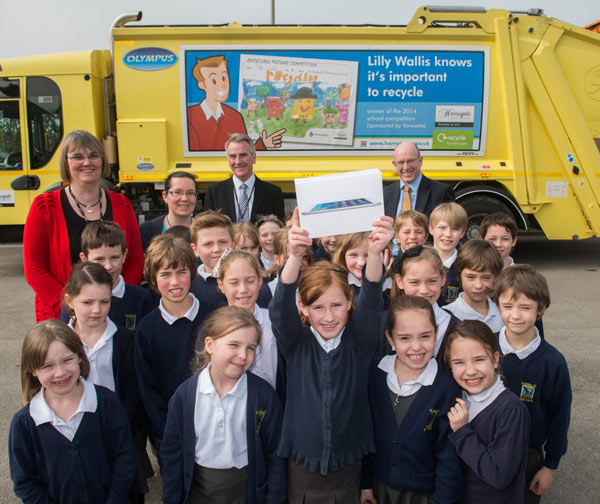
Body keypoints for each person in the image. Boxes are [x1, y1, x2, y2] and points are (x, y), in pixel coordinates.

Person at [269, 208, 393, 502]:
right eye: (317, 307)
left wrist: (374, 253)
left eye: (336, 305)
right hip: (302, 469)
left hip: (349, 469)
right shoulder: (296, 344)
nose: (328, 317)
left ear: (350, 301)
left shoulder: (359, 342)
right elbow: (279, 307)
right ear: (303, 307)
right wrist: (295, 256)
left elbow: (373, 295)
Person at [161, 306, 287, 503]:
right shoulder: (185, 396)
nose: (243, 355)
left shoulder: (264, 396)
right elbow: (172, 454)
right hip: (200, 493)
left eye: (250, 348)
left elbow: (275, 455)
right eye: (234, 345)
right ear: (210, 345)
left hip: (245, 492)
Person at [9, 319, 136, 503]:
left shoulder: (107, 403)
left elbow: (124, 459)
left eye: (67, 360)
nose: (60, 372)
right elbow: (25, 483)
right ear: (33, 371)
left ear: (80, 357)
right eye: (47, 366)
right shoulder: (24, 423)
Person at [23, 130, 144, 322]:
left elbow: (136, 258)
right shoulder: (44, 207)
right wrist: (70, 306)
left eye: (93, 155)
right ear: (66, 162)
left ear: (102, 161)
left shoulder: (122, 203)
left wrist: (113, 301)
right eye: (78, 156)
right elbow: (34, 269)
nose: (87, 162)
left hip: (114, 313)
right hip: (61, 316)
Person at [361, 296, 463, 503]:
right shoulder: (375, 373)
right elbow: (364, 433)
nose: (416, 347)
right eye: (405, 338)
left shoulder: (447, 386)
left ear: (436, 333)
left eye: (425, 336)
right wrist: (365, 483)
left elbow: (449, 456)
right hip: (379, 488)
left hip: (425, 494)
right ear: (390, 338)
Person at [64, 261, 151, 502]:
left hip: (117, 433)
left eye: (104, 302)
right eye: (87, 302)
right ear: (70, 301)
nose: (96, 310)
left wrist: (116, 429)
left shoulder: (124, 339)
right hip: (74, 434)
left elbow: (132, 394)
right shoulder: (59, 342)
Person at [494, 265, 571, 503]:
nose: (515, 315)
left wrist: (550, 466)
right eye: (507, 306)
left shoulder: (553, 362)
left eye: (525, 307)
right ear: (497, 305)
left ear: (541, 309)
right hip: (485, 448)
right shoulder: (484, 350)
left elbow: (560, 416)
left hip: (528, 456)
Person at [134, 234, 213, 458]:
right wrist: (165, 430)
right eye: (165, 274)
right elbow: (147, 387)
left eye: (182, 272)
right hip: (168, 431)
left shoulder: (213, 317)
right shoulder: (146, 330)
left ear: (192, 272)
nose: (175, 282)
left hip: (212, 425)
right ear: (153, 277)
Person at [444, 320, 530, 504]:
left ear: (495, 358)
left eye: (479, 359)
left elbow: (499, 474)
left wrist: (462, 432)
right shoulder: (455, 399)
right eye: (459, 362)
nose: (470, 371)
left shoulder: (512, 410)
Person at [59, 220, 153, 331]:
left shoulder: (141, 297)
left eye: (114, 257)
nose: (108, 266)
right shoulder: (76, 300)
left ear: (124, 255)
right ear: (84, 259)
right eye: (99, 259)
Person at [215, 250, 282, 393]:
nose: (243, 289)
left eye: (250, 281)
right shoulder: (213, 328)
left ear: (260, 281)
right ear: (221, 285)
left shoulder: (275, 322)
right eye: (234, 282)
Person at [186, 55, 285, 151]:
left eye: (224, 78)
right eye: (214, 81)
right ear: (202, 85)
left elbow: (244, 155)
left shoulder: (235, 116)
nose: (222, 85)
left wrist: (263, 144)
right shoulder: (190, 118)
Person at [391, 245, 459, 358]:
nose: (424, 291)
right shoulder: (386, 322)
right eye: (414, 282)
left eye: (432, 281)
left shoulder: (454, 327)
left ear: (443, 278)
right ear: (400, 281)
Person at [203, 134, 285, 222]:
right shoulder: (214, 192)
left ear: (254, 158)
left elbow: (279, 230)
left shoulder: (273, 193)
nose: (238, 161)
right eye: (232, 156)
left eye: (243, 155)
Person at [444, 240, 505, 333]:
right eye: (471, 277)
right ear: (458, 276)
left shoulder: (503, 312)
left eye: (486, 278)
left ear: (495, 277)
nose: (478, 285)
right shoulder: (446, 316)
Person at [383, 142, 455, 219]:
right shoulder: (386, 194)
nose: (406, 167)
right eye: (401, 162)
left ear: (420, 161)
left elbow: (448, 227)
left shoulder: (441, 192)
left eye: (410, 161)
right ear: (394, 165)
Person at [139, 171, 198, 252]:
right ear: (165, 196)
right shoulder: (148, 230)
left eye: (190, 193)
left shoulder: (205, 229)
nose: (185, 198)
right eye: (177, 192)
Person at [189, 210, 235, 309]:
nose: (217, 249)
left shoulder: (249, 280)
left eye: (222, 242)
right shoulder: (189, 286)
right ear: (195, 249)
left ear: (233, 244)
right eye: (208, 244)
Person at [332, 232, 392, 306]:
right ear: (343, 256)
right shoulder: (337, 284)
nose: (361, 263)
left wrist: (377, 280)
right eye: (353, 255)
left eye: (369, 255)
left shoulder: (392, 283)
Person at [429, 202, 468, 306]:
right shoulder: (419, 261)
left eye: (455, 229)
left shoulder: (465, 266)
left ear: (463, 233)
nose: (448, 234)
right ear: (431, 229)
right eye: (442, 228)